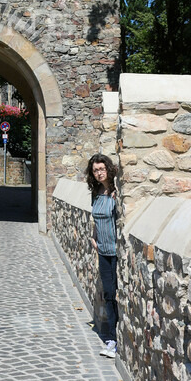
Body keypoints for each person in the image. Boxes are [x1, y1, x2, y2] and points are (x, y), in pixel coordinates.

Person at [86, 153, 118, 358]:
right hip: (103, 250)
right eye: (95, 170)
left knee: (114, 293)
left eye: (102, 169)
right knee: (108, 293)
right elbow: (97, 218)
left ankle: (115, 339)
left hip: (116, 251)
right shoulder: (96, 192)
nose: (99, 173)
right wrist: (94, 237)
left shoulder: (117, 191)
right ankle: (112, 339)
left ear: (108, 168)